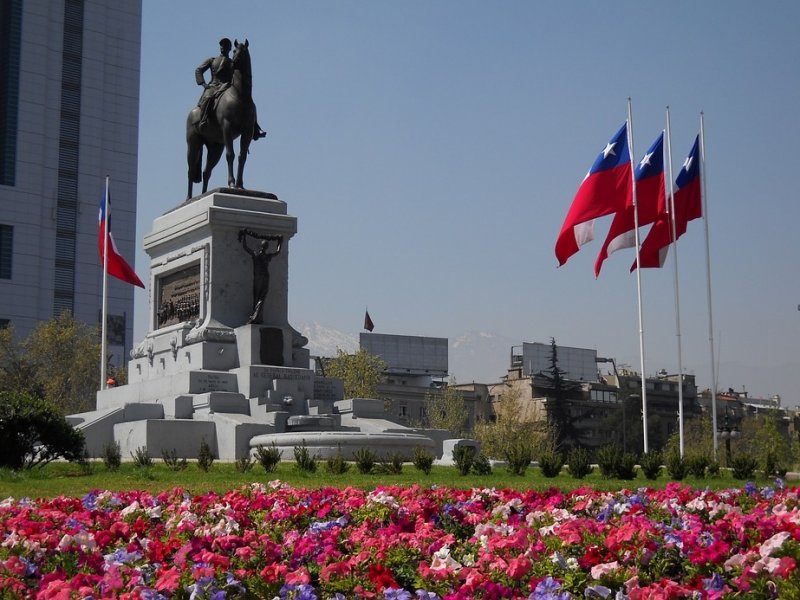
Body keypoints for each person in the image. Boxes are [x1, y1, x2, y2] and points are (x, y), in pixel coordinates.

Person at [195, 38, 266, 140]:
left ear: (229, 48)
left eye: (225, 46)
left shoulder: (232, 62)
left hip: (227, 86)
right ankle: (203, 120)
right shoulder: (212, 60)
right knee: (208, 97)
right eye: (221, 45)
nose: (222, 48)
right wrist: (203, 83)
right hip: (213, 86)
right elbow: (199, 70)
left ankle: (255, 128)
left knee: (250, 104)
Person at [239, 229, 282, 324]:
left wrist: (244, 236)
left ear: (261, 246)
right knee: (262, 296)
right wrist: (280, 242)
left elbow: (245, 247)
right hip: (266, 276)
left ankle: (255, 316)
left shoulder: (256, 254)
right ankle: (257, 316)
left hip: (258, 277)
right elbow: (278, 251)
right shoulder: (268, 256)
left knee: (256, 296)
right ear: (266, 247)